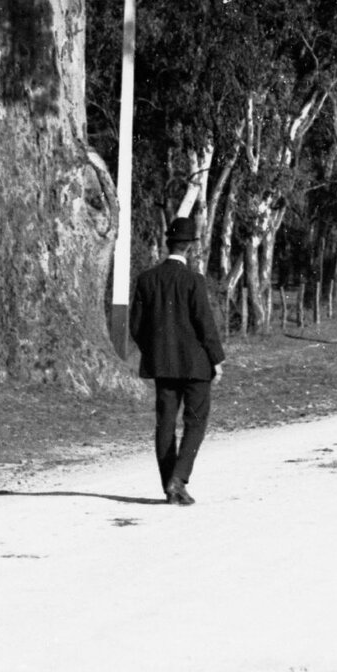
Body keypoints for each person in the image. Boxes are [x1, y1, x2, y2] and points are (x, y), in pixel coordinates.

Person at [127, 214, 226, 505]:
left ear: (167, 243)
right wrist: (216, 359)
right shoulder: (194, 281)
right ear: (191, 248)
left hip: (163, 366)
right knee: (195, 422)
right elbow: (204, 324)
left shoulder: (146, 280)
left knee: (165, 423)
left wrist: (154, 351)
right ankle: (178, 479)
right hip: (196, 366)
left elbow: (135, 327)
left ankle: (169, 484)